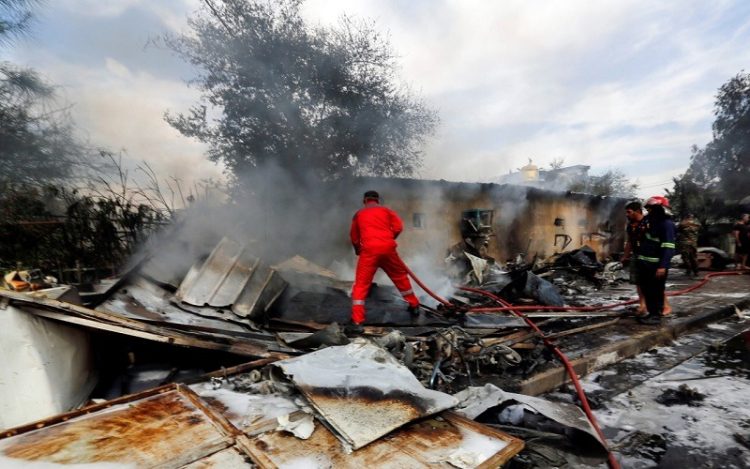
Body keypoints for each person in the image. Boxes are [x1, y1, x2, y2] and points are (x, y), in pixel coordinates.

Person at [349, 190, 420, 327]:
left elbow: (354, 237)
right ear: (378, 200)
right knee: (400, 277)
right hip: (388, 249)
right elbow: (399, 227)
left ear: (365, 201)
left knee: (361, 285)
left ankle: (357, 320)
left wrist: (358, 249)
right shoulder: (387, 211)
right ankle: (414, 305)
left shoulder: (358, 214)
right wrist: (388, 240)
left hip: (369, 251)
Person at [623, 201, 671, 316]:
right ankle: (643, 305)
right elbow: (630, 241)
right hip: (637, 256)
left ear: (638, 211)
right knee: (639, 282)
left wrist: (662, 263)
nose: (627, 215)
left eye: (629, 212)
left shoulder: (649, 223)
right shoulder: (630, 226)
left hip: (650, 258)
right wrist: (625, 256)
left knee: (655, 284)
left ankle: (665, 306)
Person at [635, 195, 676, 325]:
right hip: (645, 263)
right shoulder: (650, 222)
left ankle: (656, 315)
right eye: (648, 209)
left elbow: (668, 247)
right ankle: (651, 313)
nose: (649, 211)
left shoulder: (667, 224)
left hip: (656, 265)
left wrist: (662, 266)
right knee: (647, 290)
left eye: (651, 209)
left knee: (656, 291)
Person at [676, 213, 701, 277]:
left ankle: (688, 270)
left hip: (685, 243)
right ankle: (696, 272)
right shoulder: (696, 224)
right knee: (693, 257)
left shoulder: (683, 223)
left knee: (685, 257)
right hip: (693, 243)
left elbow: (678, 228)